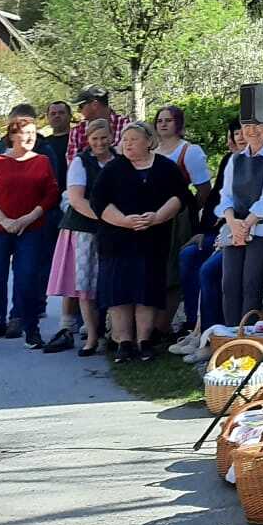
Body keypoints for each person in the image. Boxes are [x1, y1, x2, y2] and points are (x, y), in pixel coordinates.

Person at [90, 122, 187, 364]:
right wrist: (123, 221)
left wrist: (157, 217)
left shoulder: (165, 167)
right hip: (116, 240)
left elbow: (180, 196)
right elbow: (98, 202)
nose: (128, 143)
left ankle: (144, 340)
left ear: (148, 141)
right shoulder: (113, 169)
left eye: (134, 139)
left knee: (147, 290)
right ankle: (123, 341)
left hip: (153, 239)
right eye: (125, 140)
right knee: (119, 291)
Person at [0, 113, 61, 350]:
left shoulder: (42, 161)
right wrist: (4, 220)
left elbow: (51, 194)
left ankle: (31, 331)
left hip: (31, 228)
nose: (30, 138)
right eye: (25, 133)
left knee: (27, 279)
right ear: (13, 135)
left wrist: (30, 217)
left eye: (34, 134)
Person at [171, 120, 242, 356]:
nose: (240, 137)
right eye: (236, 133)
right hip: (219, 229)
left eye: (244, 132)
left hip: (242, 233)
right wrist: (203, 231)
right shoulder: (228, 161)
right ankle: (195, 327)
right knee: (188, 254)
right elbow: (215, 199)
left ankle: (212, 334)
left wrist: (223, 227)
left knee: (207, 270)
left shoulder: (261, 162)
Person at [219, 114, 263, 325]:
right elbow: (226, 196)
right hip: (237, 225)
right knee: (230, 284)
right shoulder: (235, 159)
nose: (251, 130)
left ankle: (247, 337)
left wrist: (247, 225)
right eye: (247, 126)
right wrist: (233, 222)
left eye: (258, 125)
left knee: (251, 283)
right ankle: (230, 337)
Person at [53, 117, 116, 357]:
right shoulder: (81, 162)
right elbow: (77, 200)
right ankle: (91, 336)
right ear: (87, 140)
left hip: (113, 229)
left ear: (111, 138)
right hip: (84, 229)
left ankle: (112, 332)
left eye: (103, 138)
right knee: (86, 285)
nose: (99, 143)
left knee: (108, 280)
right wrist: (105, 219)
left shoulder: (118, 161)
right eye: (94, 138)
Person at [151, 104, 211, 338]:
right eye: (159, 120)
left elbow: (204, 189)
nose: (163, 124)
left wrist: (188, 210)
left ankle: (165, 323)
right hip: (152, 216)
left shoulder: (190, 151)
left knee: (174, 269)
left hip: (179, 217)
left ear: (179, 123)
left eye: (168, 120)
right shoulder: (152, 148)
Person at [37, 101, 80, 352]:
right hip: (46, 208)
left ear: (69, 116)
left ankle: (73, 319)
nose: (56, 117)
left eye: (61, 113)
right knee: (44, 261)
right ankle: (37, 306)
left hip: (69, 206)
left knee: (70, 262)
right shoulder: (43, 144)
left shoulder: (75, 141)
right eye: (52, 113)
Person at [65, 86, 127, 164]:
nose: (79, 110)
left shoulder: (126, 127)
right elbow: (73, 165)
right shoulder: (77, 131)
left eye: (81, 106)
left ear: (95, 104)